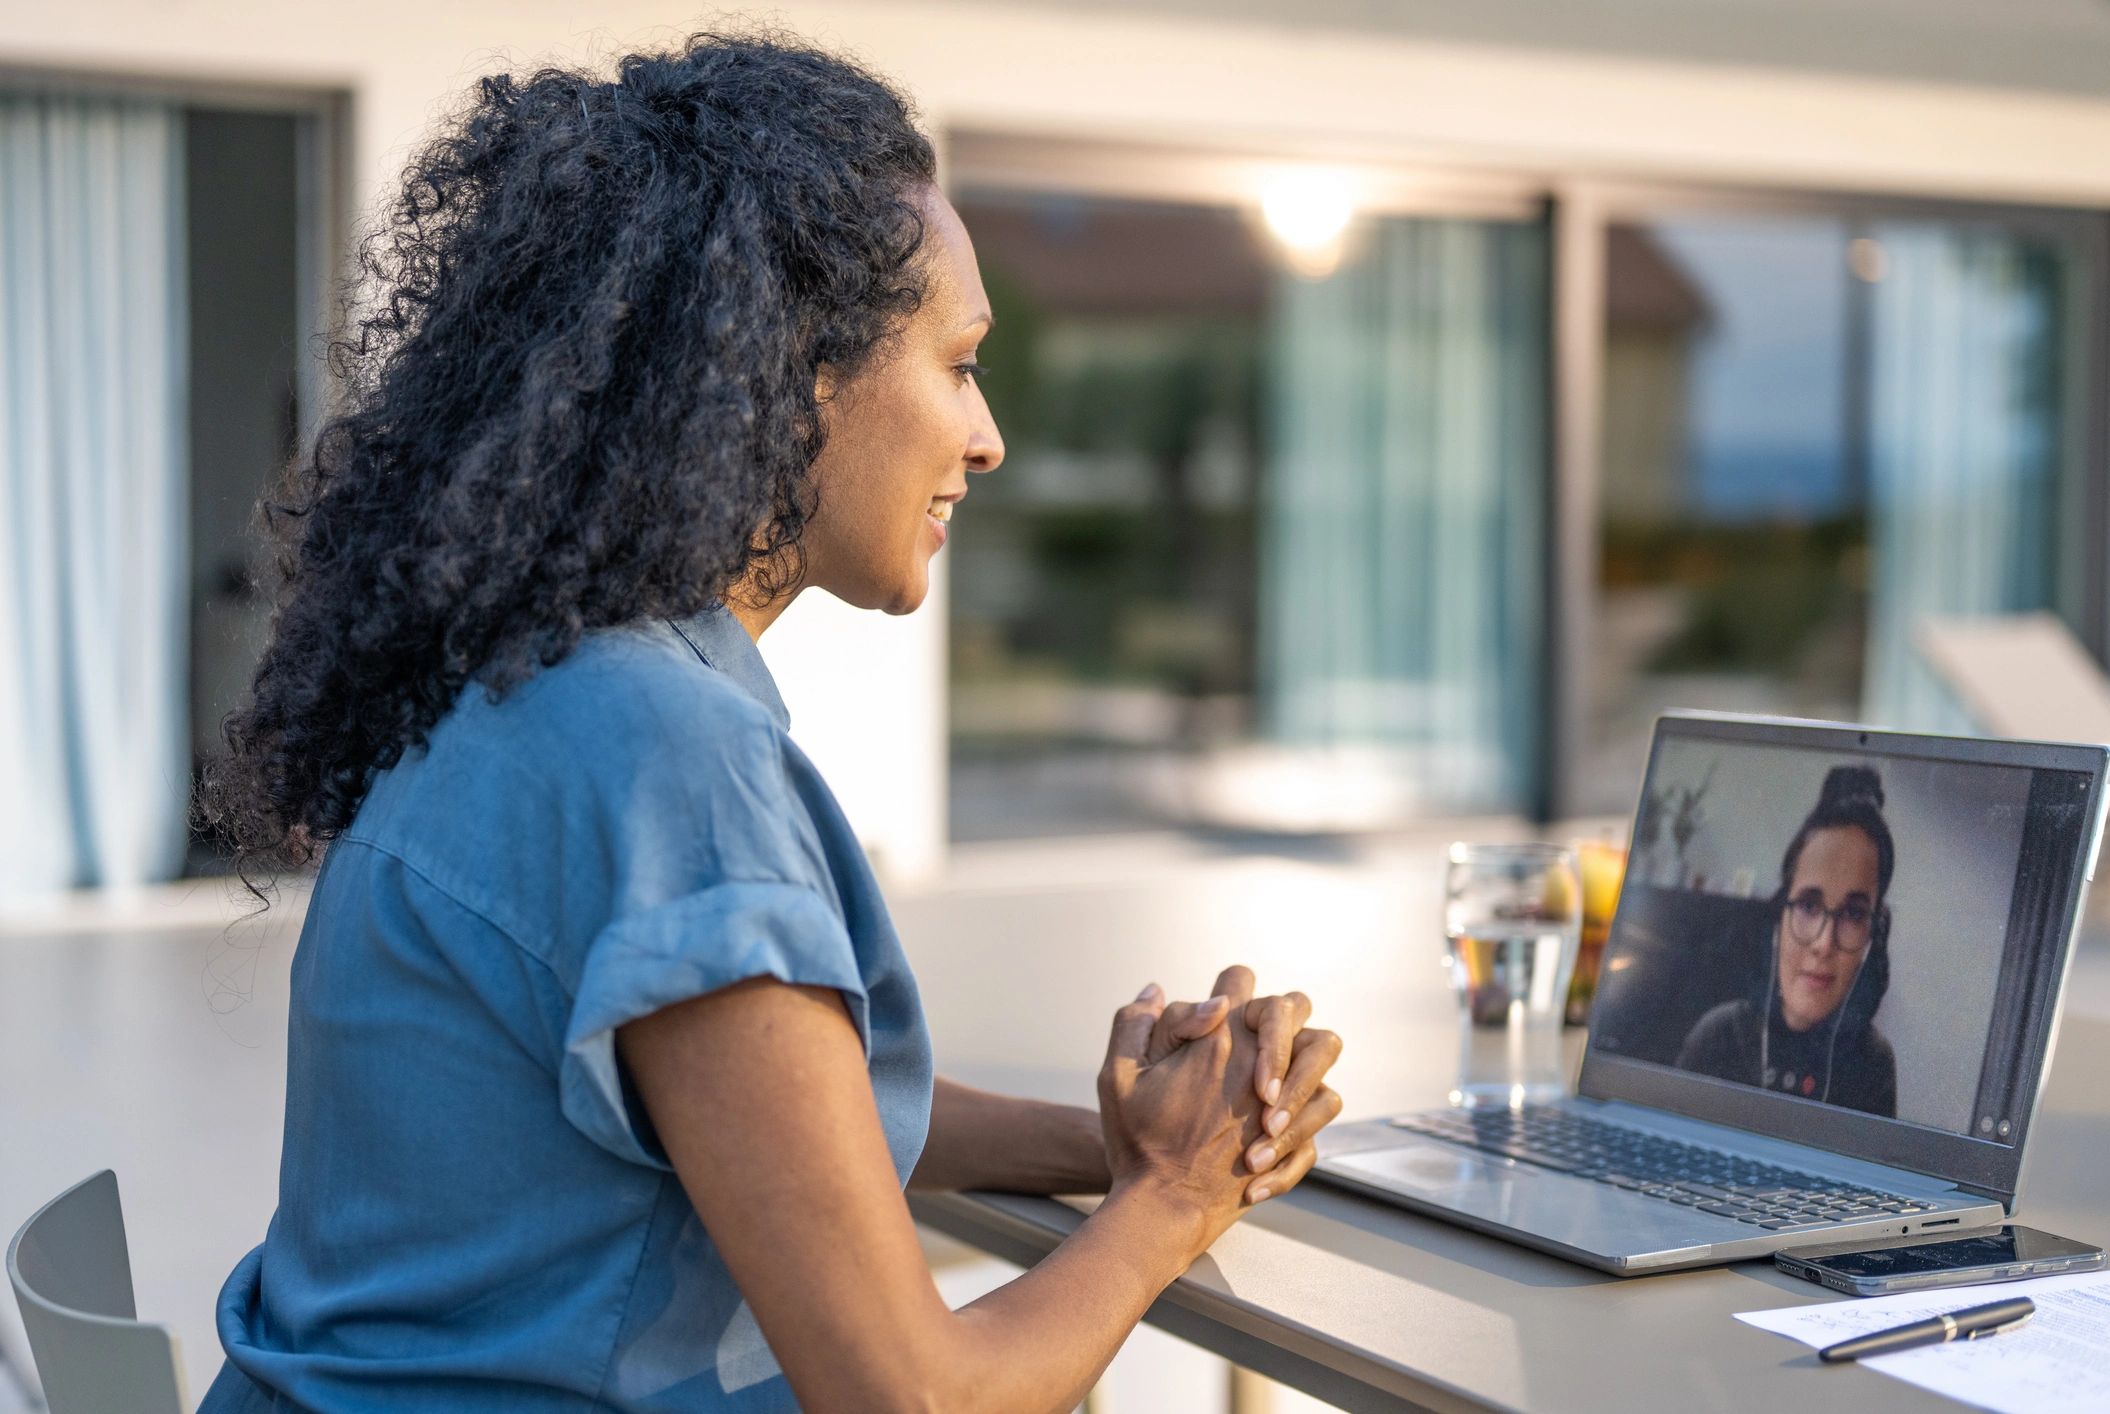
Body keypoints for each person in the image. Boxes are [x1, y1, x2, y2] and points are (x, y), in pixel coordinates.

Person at [195, 33, 1343, 1412]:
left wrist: (1112, 1140)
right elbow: (911, 1397)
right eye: (960, 363)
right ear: (792, 372)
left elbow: (761, 1121)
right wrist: (1173, 1194)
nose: (987, 438)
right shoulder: (666, 760)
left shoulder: (529, 690)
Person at [1674, 766, 1897, 1117]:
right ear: (1779, 917)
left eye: (1853, 914)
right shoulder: (1717, 1036)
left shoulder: (1874, 1065)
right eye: (1809, 905)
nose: (1824, 943)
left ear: (1873, 936)